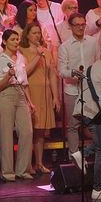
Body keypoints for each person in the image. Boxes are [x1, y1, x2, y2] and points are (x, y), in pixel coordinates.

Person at [71, 43, 101, 201]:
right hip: (94, 113)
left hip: (84, 110)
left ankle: (82, 154)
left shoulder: (91, 67)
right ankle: (98, 189)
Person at [0, 30, 35, 182]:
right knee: (6, 134)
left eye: (17, 39)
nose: (16, 42)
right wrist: (8, 75)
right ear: (4, 41)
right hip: (6, 94)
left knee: (27, 132)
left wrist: (30, 102)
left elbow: (24, 83)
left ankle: (22, 170)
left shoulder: (21, 58)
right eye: (13, 39)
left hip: (20, 93)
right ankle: (8, 172)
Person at [20, 22, 60, 174]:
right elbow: (25, 72)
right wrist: (37, 55)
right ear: (27, 35)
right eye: (34, 33)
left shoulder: (46, 51)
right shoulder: (22, 51)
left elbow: (51, 75)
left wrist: (55, 96)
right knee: (29, 130)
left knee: (41, 131)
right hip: (31, 91)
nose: (37, 35)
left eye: (38, 33)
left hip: (45, 92)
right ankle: (27, 164)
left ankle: (39, 162)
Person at [58, 13, 98, 157]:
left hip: (90, 90)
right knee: (73, 125)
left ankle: (98, 154)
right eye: (77, 25)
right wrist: (73, 73)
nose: (81, 27)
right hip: (73, 90)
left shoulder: (93, 42)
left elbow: (99, 63)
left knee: (95, 124)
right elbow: (62, 71)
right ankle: (74, 157)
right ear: (71, 26)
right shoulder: (65, 46)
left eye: (83, 24)